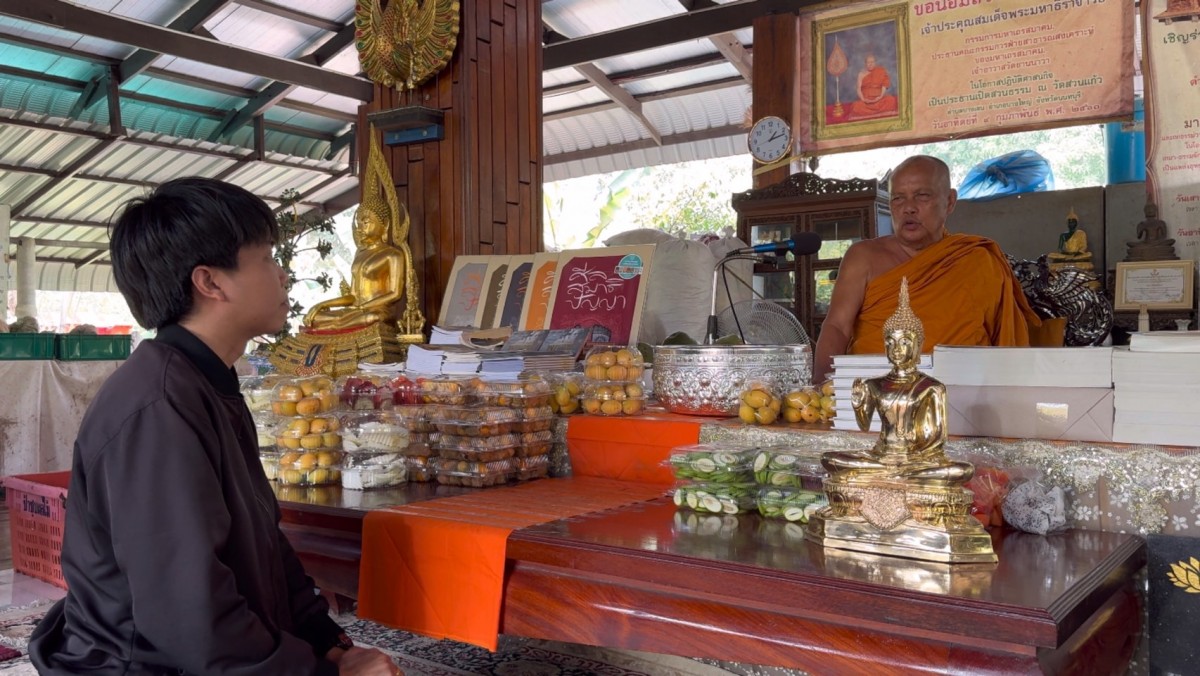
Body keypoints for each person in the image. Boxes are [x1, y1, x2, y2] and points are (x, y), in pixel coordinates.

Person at [29, 178, 400, 676]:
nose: (283, 273)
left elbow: (263, 546)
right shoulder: (158, 408)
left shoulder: (207, 379)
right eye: (267, 257)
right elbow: (188, 614)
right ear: (211, 282)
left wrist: (327, 642)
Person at [813, 155, 1038, 382]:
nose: (908, 208)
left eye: (922, 196)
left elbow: (1004, 342)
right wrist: (822, 387)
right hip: (875, 397)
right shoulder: (863, 257)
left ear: (950, 201)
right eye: (898, 198)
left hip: (961, 397)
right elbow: (837, 326)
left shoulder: (977, 260)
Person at [848, 54, 898, 119]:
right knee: (856, 107)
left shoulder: (881, 71)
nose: (870, 64)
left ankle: (872, 111)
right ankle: (876, 111)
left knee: (891, 100)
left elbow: (884, 85)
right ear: (865, 64)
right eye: (868, 62)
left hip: (879, 99)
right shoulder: (861, 74)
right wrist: (863, 99)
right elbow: (858, 89)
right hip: (866, 101)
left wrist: (880, 96)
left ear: (875, 63)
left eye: (872, 62)